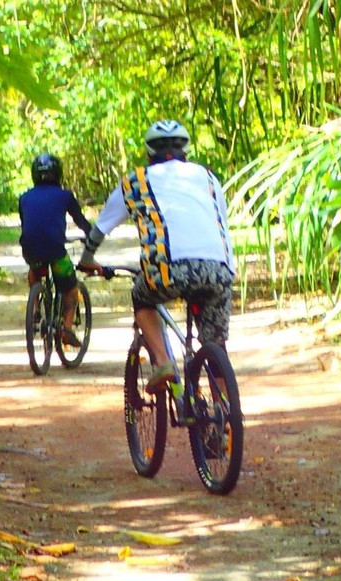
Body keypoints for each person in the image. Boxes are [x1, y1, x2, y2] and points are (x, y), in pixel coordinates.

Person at [76, 120, 235, 392]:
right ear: (186, 149)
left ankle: (162, 361)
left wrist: (87, 258)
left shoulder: (136, 181)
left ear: (149, 152)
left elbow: (101, 228)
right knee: (215, 344)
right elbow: (220, 219)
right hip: (219, 269)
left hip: (169, 270)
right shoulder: (208, 177)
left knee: (142, 295)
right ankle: (225, 419)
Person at [18, 154, 94, 347]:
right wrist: (92, 235)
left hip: (30, 250)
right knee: (70, 288)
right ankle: (67, 329)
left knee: (35, 270)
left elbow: (28, 224)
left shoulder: (24, 197)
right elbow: (80, 220)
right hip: (55, 251)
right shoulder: (65, 196)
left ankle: (35, 308)